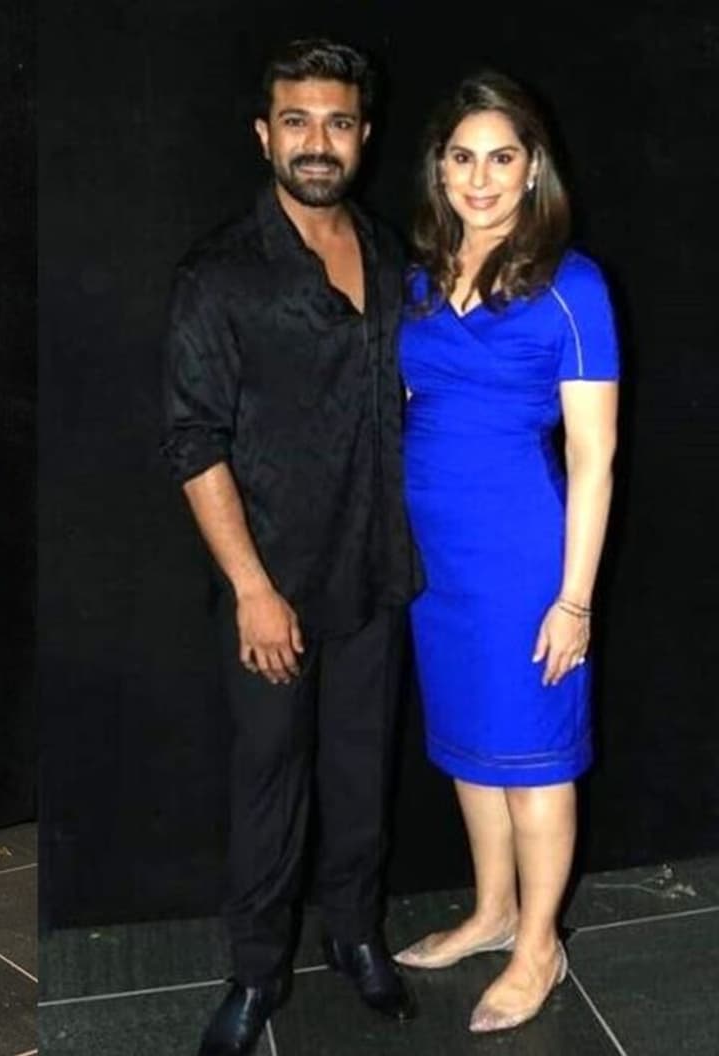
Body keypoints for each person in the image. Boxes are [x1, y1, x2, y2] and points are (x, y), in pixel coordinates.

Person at [161, 39, 423, 1056]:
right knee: (270, 782)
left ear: (364, 135)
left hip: (378, 569)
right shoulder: (218, 271)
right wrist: (252, 590)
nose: (319, 142)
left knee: (361, 773)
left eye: (338, 122)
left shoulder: (393, 255)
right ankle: (255, 972)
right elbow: (193, 441)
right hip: (271, 583)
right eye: (298, 121)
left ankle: (355, 935)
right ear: (264, 134)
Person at [393, 72, 618, 1034]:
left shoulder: (573, 285)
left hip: (523, 557)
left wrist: (575, 600)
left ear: (532, 170)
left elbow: (595, 455)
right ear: (439, 170)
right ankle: (491, 912)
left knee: (534, 763)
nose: (479, 178)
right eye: (462, 157)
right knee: (470, 750)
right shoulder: (416, 279)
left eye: (501, 158)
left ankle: (538, 947)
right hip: (434, 562)